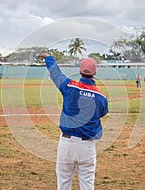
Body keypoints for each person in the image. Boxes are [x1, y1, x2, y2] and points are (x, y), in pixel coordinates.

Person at [39, 53, 108, 190]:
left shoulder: (69, 86)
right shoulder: (101, 97)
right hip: (87, 146)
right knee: (87, 183)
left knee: (64, 183)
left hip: (67, 144)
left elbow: (55, 73)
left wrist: (48, 58)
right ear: (95, 73)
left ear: (80, 71)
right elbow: (102, 113)